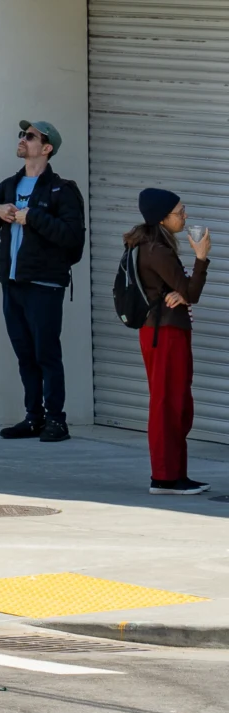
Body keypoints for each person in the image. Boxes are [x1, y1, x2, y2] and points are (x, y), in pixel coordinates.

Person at [0, 118, 86, 442]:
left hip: (45, 286)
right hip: (13, 284)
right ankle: (33, 417)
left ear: (46, 149)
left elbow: (73, 239)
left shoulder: (63, 191)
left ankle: (56, 421)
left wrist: (32, 217)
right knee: (25, 354)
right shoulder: (10, 186)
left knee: (47, 353)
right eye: (22, 134)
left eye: (30, 136)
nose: (23, 139)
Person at [129, 188, 210, 495]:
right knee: (167, 404)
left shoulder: (153, 245)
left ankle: (176, 474)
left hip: (166, 331)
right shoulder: (156, 250)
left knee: (178, 403)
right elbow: (191, 293)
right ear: (162, 218)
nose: (185, 216)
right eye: (180, 212)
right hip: (164, 334)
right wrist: (201, 258)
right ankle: (164, 477)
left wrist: (179, 291)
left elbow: (182, 292)